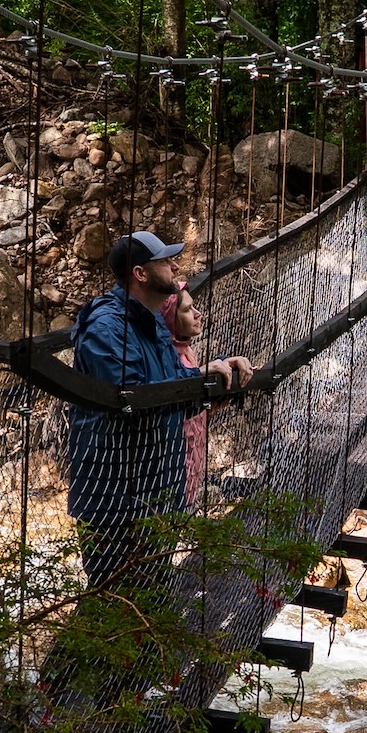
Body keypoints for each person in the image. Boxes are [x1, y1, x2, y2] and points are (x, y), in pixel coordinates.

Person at [64, 230, 251, 591]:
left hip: (155, 495)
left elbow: (179, 385)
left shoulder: (150, 323)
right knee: (114, 603)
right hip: (115, 501)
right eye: (166, 261)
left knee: (149, 600)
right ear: (141, 274)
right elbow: (134, 399)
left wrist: (218, 376)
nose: (176, 265)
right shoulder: (106, 327)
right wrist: (196, 378)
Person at [156, 286, 209, 493]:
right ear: (169, 318)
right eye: (187, 310)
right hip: (175, 461)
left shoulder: (186, 351)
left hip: (193, 455)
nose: (198, 314)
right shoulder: (167, 357)